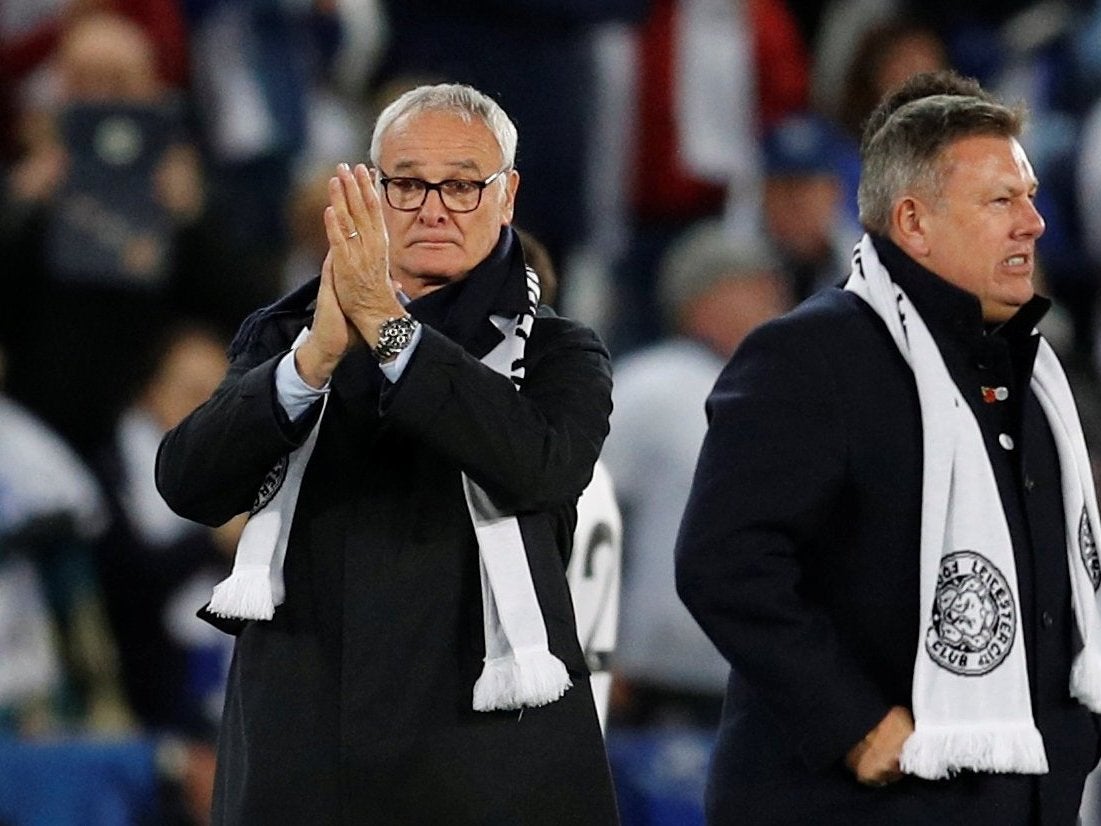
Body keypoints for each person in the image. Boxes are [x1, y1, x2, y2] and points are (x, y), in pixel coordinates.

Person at [156, 83, 618, 824]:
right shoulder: (288, 336)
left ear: (507, 197)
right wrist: (310, 366)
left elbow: (539, 465)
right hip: (303, 749)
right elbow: (188, 483)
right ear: (369, 192)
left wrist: (386, 327)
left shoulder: (558, 351)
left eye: (464, 184)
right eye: (407, 183)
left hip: (484, 762)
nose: (434, 206)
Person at [675, 70, 1101, 825]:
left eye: (1029, 195)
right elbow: (726, 563)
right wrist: (853, 725)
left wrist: (1072, 738)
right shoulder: (810, 355)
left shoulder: (1031, 371)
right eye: (1001, 200)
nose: (1033, 223)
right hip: (848, 805)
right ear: (913, 221)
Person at [602, 220, 792, 729]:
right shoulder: (647, 385)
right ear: (703, 298)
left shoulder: (784, 394)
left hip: (757, 677)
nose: (775, 296)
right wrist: (592, 647)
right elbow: (584, 514)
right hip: (651, 679)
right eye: (752, 284)